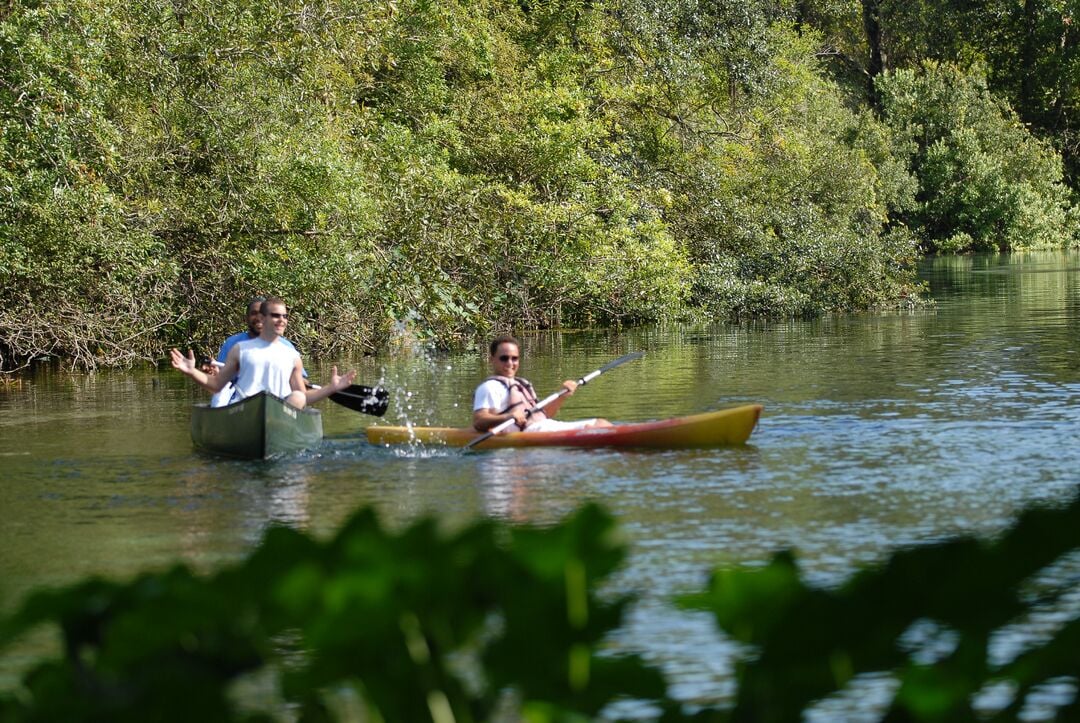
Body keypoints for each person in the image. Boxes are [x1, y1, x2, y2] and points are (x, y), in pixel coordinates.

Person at [171, 297, 355, 410]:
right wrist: (192, 371)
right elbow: (218, 385)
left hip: (280, 411)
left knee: (298, 396)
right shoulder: (240, 349)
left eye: (284, 316)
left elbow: (303, 395)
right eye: (276, 316)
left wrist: (331, 388)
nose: (281, 321)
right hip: (246, 409)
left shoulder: (291, 355)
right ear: (263, 318)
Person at [472, 335, 612, 434]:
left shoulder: (523, 383)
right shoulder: (488, 388)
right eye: (504, 358)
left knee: (602, 424)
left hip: (542, 427)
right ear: (492, 360)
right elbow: (479, 422)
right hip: (527, 433)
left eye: (514, 358)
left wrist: (562, 395)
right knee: (599, 427)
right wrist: (509, 417)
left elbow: (543, 416)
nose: (510, 363)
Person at [206, 295, 306, 406]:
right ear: (246, 318)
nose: (258, 318)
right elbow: (220, 377)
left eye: (261, 314)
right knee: (221, 392)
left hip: (277, 398)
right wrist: (213, 373)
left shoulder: (287, 347)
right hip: (240, 396)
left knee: (297, 396)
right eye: (254, 313)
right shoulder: (233, 344)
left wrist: (301, 384)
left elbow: (300, 380)